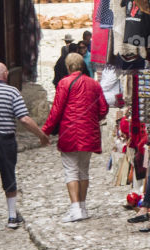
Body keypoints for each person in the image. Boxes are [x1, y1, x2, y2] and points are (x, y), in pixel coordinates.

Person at [0, 62, 50, 231]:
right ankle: (12, 217)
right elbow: (24, 119)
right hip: (6, 142)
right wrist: (41, 135)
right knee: (9, 177)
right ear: (5, 74)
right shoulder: (12, 92)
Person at [43, 52, 108, 223]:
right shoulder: (94, 84)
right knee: (83, 170)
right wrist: (93, 119)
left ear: (68, 66)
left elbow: (56, 110)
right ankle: (83, 207)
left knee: (71, 170)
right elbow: (103, 108)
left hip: (69, 132)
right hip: (89, 132)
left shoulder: (64, 83)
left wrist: (45, 131)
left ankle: (75, 208)